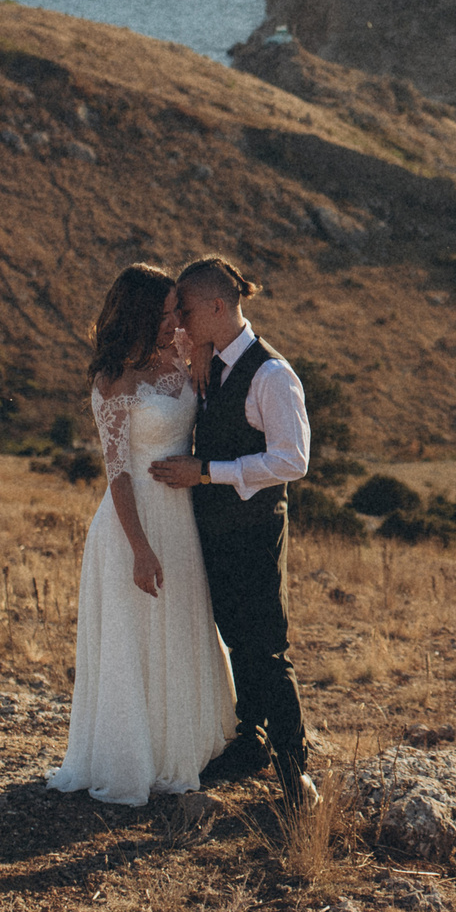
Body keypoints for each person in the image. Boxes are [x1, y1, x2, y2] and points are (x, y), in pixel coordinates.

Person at [46, 263, 235, 805]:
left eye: (180, 308)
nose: (178, 319)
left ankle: (190, 746)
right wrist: (140, 548)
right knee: (137, 637)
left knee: (182, 625)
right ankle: (136, 755)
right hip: (135, 523)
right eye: (168, 310)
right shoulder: (113, 379)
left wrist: (197, 350)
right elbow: (119, 473)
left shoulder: (182, 354)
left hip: (182, 518)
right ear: (141, 314)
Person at [147, 254, 316, 806]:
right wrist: (196, 348)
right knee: (234, 639)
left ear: (218, 306)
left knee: (267, 648)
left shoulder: (272, 374)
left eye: (187, 312)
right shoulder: (209, 359)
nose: (180, 323)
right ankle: (253, 742)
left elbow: (292, 460)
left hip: (254, 530)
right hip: (214, 529)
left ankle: (297, 776)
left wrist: (206, 472)